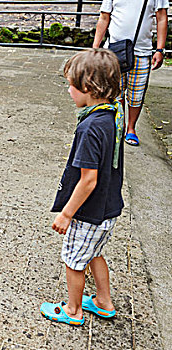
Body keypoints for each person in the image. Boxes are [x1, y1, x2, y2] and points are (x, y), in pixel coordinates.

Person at [40, 49, 125, 326]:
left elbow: (88, 179)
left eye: (71, 86)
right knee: (94, 254)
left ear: (88, 88)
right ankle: (103, 303)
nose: (68, 91)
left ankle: (73, 311)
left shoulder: (90, 128)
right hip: (108, 209)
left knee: (74, 260)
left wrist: (66, 213)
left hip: (89, 213)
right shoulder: (113, 113)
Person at [93, 0, 168, 146]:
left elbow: (161, 17)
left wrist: (160, 49)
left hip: (141, 51)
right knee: (116, 92)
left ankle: (131, 128)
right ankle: (118, 125)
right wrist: (95, 46)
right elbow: (104, 17)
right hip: (115, 49)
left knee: (136, 94)